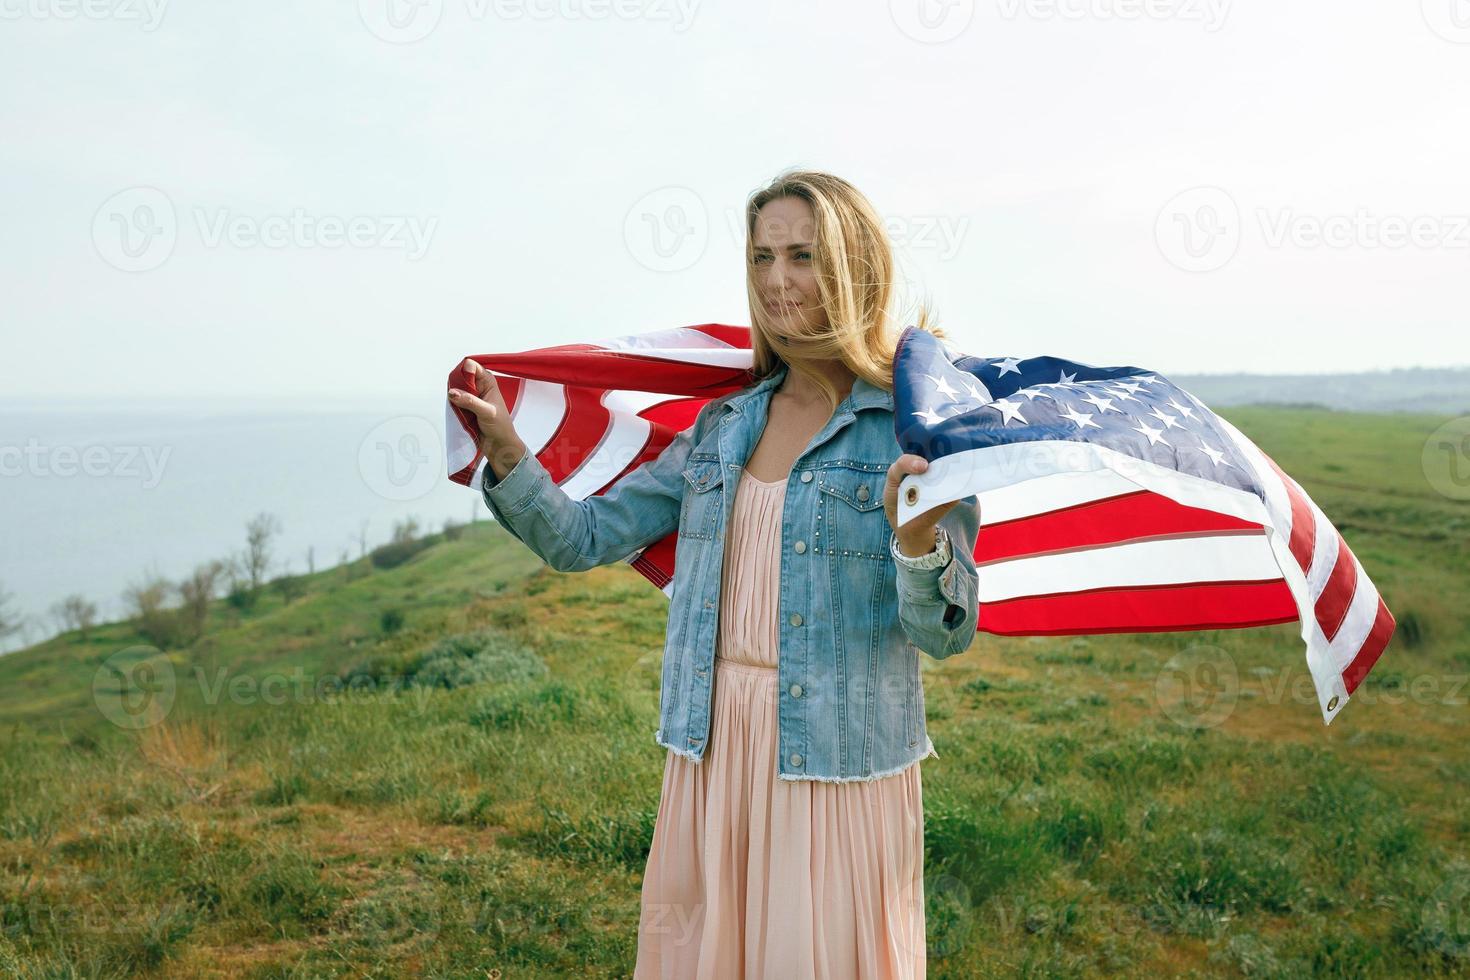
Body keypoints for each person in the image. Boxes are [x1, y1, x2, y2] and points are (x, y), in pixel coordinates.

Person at [449, 168, 981, 980]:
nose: (777, 280)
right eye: (762, 256)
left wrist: (916, 541)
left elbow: (946, 632)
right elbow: (583, 538)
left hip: (834, 764)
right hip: (710, 754)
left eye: (802, 255)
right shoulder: (726, 424)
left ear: (853, 264)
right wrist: (511, 458)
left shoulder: (917, 421)